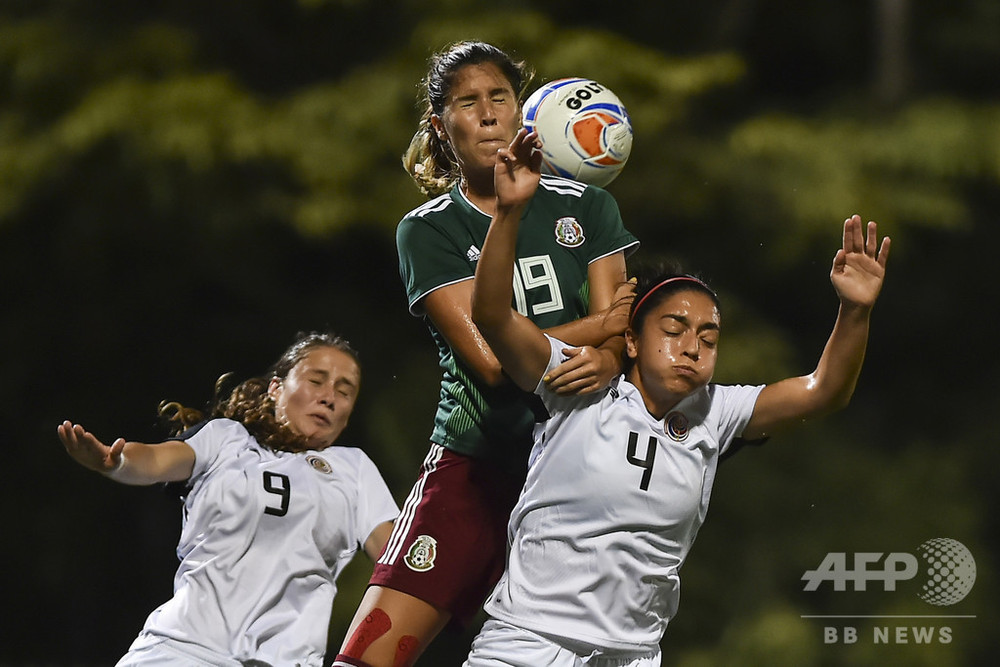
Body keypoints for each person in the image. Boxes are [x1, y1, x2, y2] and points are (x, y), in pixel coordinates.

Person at [461, 129, 891, 665]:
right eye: (675, 328)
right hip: (529, 644)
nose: (692, 347)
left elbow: (824, 390)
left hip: (634, 655)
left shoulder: (715, 412)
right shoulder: (582, 385)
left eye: (709, 338)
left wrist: (855, 310)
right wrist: (509, 213)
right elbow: (493, 316)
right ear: (633, 343)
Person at [334, 41, 639, 667]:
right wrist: (600, 332)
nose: (489, 114)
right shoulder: (428, 229)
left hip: (574, 475)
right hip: (476, 470)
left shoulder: (590, 207)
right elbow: (496, 363)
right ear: (440, 127)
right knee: (367, 659)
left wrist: (612, 356)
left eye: (500, 97)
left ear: (522, 111)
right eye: (468, 103)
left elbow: (620, 334)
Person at [58, 332, 399, 667]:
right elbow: (156, 459)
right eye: (317, 381)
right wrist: (114, 461)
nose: (329, 398)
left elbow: (399, 562)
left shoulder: (353, 469)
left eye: (345, 391)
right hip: (180, 652)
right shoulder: (226, 439)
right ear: (276, 388)